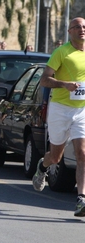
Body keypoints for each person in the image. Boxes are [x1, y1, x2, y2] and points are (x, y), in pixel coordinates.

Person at [32, 17, 85, 217]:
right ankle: (42, 166)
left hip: (81, 110)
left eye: (84, 27)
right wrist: (65, 84)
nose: (82, 30)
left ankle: (81, 199)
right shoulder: (61, 52)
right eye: (78, 27)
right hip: (60, 109)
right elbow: (44, 80)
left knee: (82, 154)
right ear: (70, 31)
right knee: (56, 157)